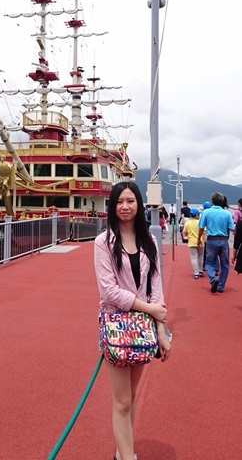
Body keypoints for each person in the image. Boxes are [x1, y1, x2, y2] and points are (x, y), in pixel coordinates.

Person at [94, 182, 171, 460]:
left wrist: (161, 330)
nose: (125, 207)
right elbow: (109, 291)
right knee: (122, 400)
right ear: (112, 207)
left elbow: (156, 287)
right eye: (119, 202)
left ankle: (122, 451)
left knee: (131, 397)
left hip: (143, 329)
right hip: (116, 326)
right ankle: (128, 457)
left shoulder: (148, 240)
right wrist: (148, 308)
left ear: (139, 204)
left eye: (130, 201)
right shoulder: (103, 242)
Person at [197, 192, 235, 293]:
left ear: (212, 201)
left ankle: (213, 279)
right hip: (224, 241)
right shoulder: (227, 213)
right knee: (225, 265)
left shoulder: (206, 212)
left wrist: (198, 239)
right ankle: (221, 286)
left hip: (211, 241)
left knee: (209, 263)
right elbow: (232, 228)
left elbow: (201, 227)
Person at [183, 208, 205, 279]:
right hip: (200, 241)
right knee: (200, 256)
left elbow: (185, 232)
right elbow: (204, 232)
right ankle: (200, 270)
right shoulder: (200, 222)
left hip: (192, 241)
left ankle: (196, 273)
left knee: (193, 257)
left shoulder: (187, 223)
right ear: (197, 215)